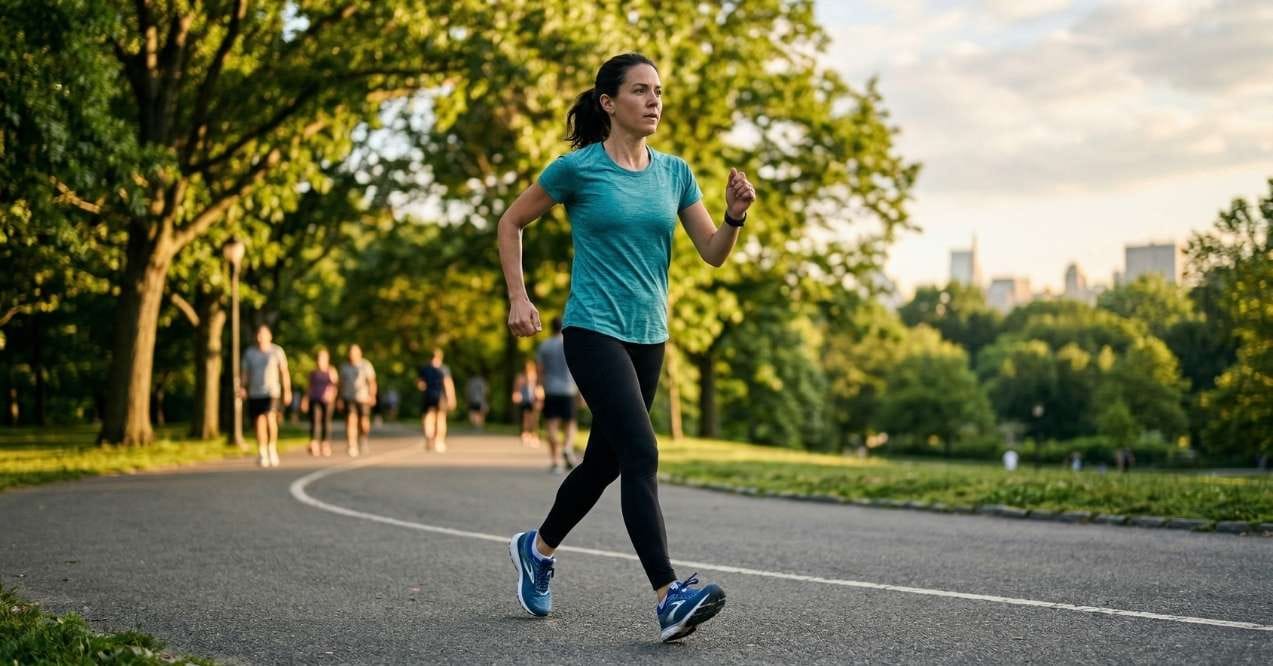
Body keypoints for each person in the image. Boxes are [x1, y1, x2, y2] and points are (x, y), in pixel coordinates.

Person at [497, 53, 754, 641]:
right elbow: (511, 222)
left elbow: (711, 252)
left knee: (604, 462)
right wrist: (519, 295)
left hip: (649, 336)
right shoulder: (577, 170)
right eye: (640, 91)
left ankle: (535, 549)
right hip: (592, 330)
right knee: (641, 453)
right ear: (610, 103)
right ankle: (669, 596)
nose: (654, 101)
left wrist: (735, 218)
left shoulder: (675, 173)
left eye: (658, 91)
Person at [240, 324, 291, 468]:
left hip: (272, 391)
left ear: (269, 336)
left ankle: (272, 448)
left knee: (270, 418)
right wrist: (243, 387)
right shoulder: (249, 353)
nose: (260, 337)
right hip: (255, 392)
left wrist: (287, 390)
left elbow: (284, 372)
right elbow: (245, 372)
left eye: (263, 334)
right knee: (259, 422)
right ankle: (262, 451)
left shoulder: (277, 351)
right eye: (258, 334)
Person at [537, 317, 581, 473]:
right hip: (569, 390)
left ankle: (555, 462)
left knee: (551, 425)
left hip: (551, 390)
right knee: (570, 423)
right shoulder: (570, 344)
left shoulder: (544, 346)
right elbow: (578, 368)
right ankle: (567, 447)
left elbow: (540, 371)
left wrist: (539, 388)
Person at [338, 344, 377, 457]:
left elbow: (372, 382)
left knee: (364, 424)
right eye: (350, 353)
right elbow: (340, 384)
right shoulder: (344, 367)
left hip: (363, 398)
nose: (352, 355)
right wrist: (339, 398)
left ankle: (363, 438)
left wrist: (372, 395)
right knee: (350, 421)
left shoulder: (366, 365)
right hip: (349, 397)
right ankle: (352, 445)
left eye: (355, 352)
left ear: (360, 353)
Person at [417, 348, 456, 452]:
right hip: (440, 396)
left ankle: (429, 438)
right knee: (441, 419)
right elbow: (448, 383)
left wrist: (424, 388)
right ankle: (439, 441)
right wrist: (451, 398)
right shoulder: (444, 368)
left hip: (428, 396)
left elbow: (420, 384)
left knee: (428, 417)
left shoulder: (424, 369)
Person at [304, 348, 338, 457]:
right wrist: (305, 400)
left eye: (323, 358)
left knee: (326, 421)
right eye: (319, 358)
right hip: (314, 399)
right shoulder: (313, 372)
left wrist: (332, 394)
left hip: (327, 400)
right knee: (314, 421)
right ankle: (314, 443)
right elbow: (309, 387)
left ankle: (325, 444)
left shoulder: (331, 371)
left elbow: (336, 385)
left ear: (327, 359)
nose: (320, 360)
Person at [511, 360, 542, 448]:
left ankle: (534, 435)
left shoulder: (535, 377)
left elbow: (539, 387)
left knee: (534, 419)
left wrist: (540, 398)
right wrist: (516, 394)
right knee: (525, 417)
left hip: (534, 400)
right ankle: (525, 434)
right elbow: (516, 388)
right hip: (524, 400)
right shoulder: (521, 377)